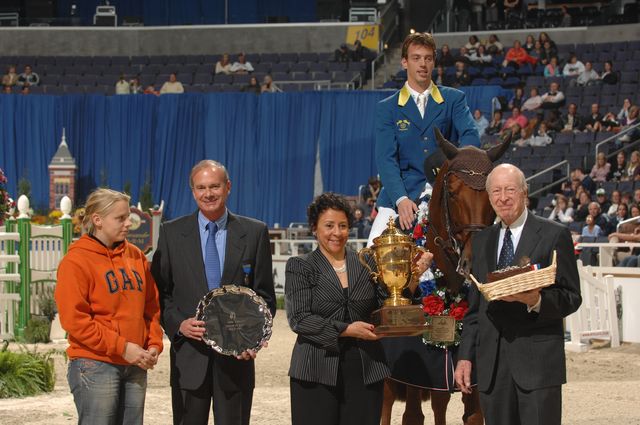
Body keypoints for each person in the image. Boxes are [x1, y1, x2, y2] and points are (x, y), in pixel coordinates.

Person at [285, 192, 433, 425]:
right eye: (329, 225)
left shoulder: (367, 262)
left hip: (366, 370)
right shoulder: (300, 266)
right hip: (314, 370)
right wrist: (347, 329)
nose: (337, 232)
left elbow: (387, 304)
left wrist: (413, 278)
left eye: (343, 225)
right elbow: (300, 319)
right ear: (315, 228)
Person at [455, 163, 582, 425]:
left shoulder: (554, 234)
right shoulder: (481, 242)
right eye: (496, 191)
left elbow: (571, 296)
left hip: (537, 366)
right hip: (492, 368)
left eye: (510, 189)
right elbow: (475, 310)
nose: (503, 197)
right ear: (489, 198)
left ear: (524, 192)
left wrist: (535, 300)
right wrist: (465, 356)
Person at [151, 160, 276, 425]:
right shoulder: (171, 233)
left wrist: (251, 338)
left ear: (228, 187)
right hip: (189, 358)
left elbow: (264, 297)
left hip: (236, 361)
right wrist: (178, 325)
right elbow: (161, 294)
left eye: (215, 186)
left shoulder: (254, 233)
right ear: (193, 191)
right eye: (201, 187)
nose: (208, 193)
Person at [55, 188, 164, 425]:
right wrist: (123, 347)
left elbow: (151, 307)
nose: (128, 223)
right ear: (98, 220)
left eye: (128, 217)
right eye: (121, 218)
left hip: (135, 362)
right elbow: (75, 321)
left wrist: (153, 344)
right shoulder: (76, 261)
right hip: (94, 363)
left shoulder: (136, 256)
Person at [373, 32, 480, 238]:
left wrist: (451, 173)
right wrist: (401, 199)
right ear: (404, 62)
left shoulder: (454, 99)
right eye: (416, 58)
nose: (423, 64)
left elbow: (470, 137)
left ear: (433, 63)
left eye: (428, 58)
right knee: (372, 251)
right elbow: (386, 160)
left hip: (446, 188)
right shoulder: (387, 108)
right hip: (402, 194)